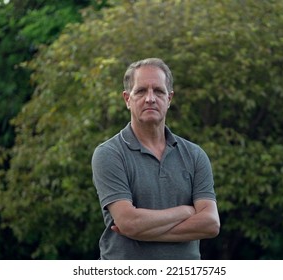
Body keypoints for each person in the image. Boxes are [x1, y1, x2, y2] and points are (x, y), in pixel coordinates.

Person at [91, 58, 220, 260]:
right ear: (127, 99)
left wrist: (141, 231)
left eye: (158, 91)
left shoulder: (194, 155)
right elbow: (128, 223)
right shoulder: (109, 153)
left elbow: (211, 224)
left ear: (169, 99)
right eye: (141, 91)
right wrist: (185, 211)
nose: (150, 98)